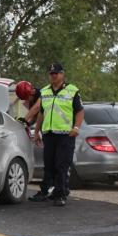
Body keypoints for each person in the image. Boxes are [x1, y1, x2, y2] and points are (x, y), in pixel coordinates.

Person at [31, 62, 84, 206]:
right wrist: (36, 131)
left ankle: (60, 195)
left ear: (62, 74)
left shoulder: (72, 90)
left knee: (62, 165)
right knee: (49, 165)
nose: (53, 76)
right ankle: (46, 192)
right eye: (51, 73)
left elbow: (79, 111)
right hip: (49, 134)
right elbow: (41, 113)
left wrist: (76, 128)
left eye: (56, 73)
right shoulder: (45, 91)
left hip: (65, 134)